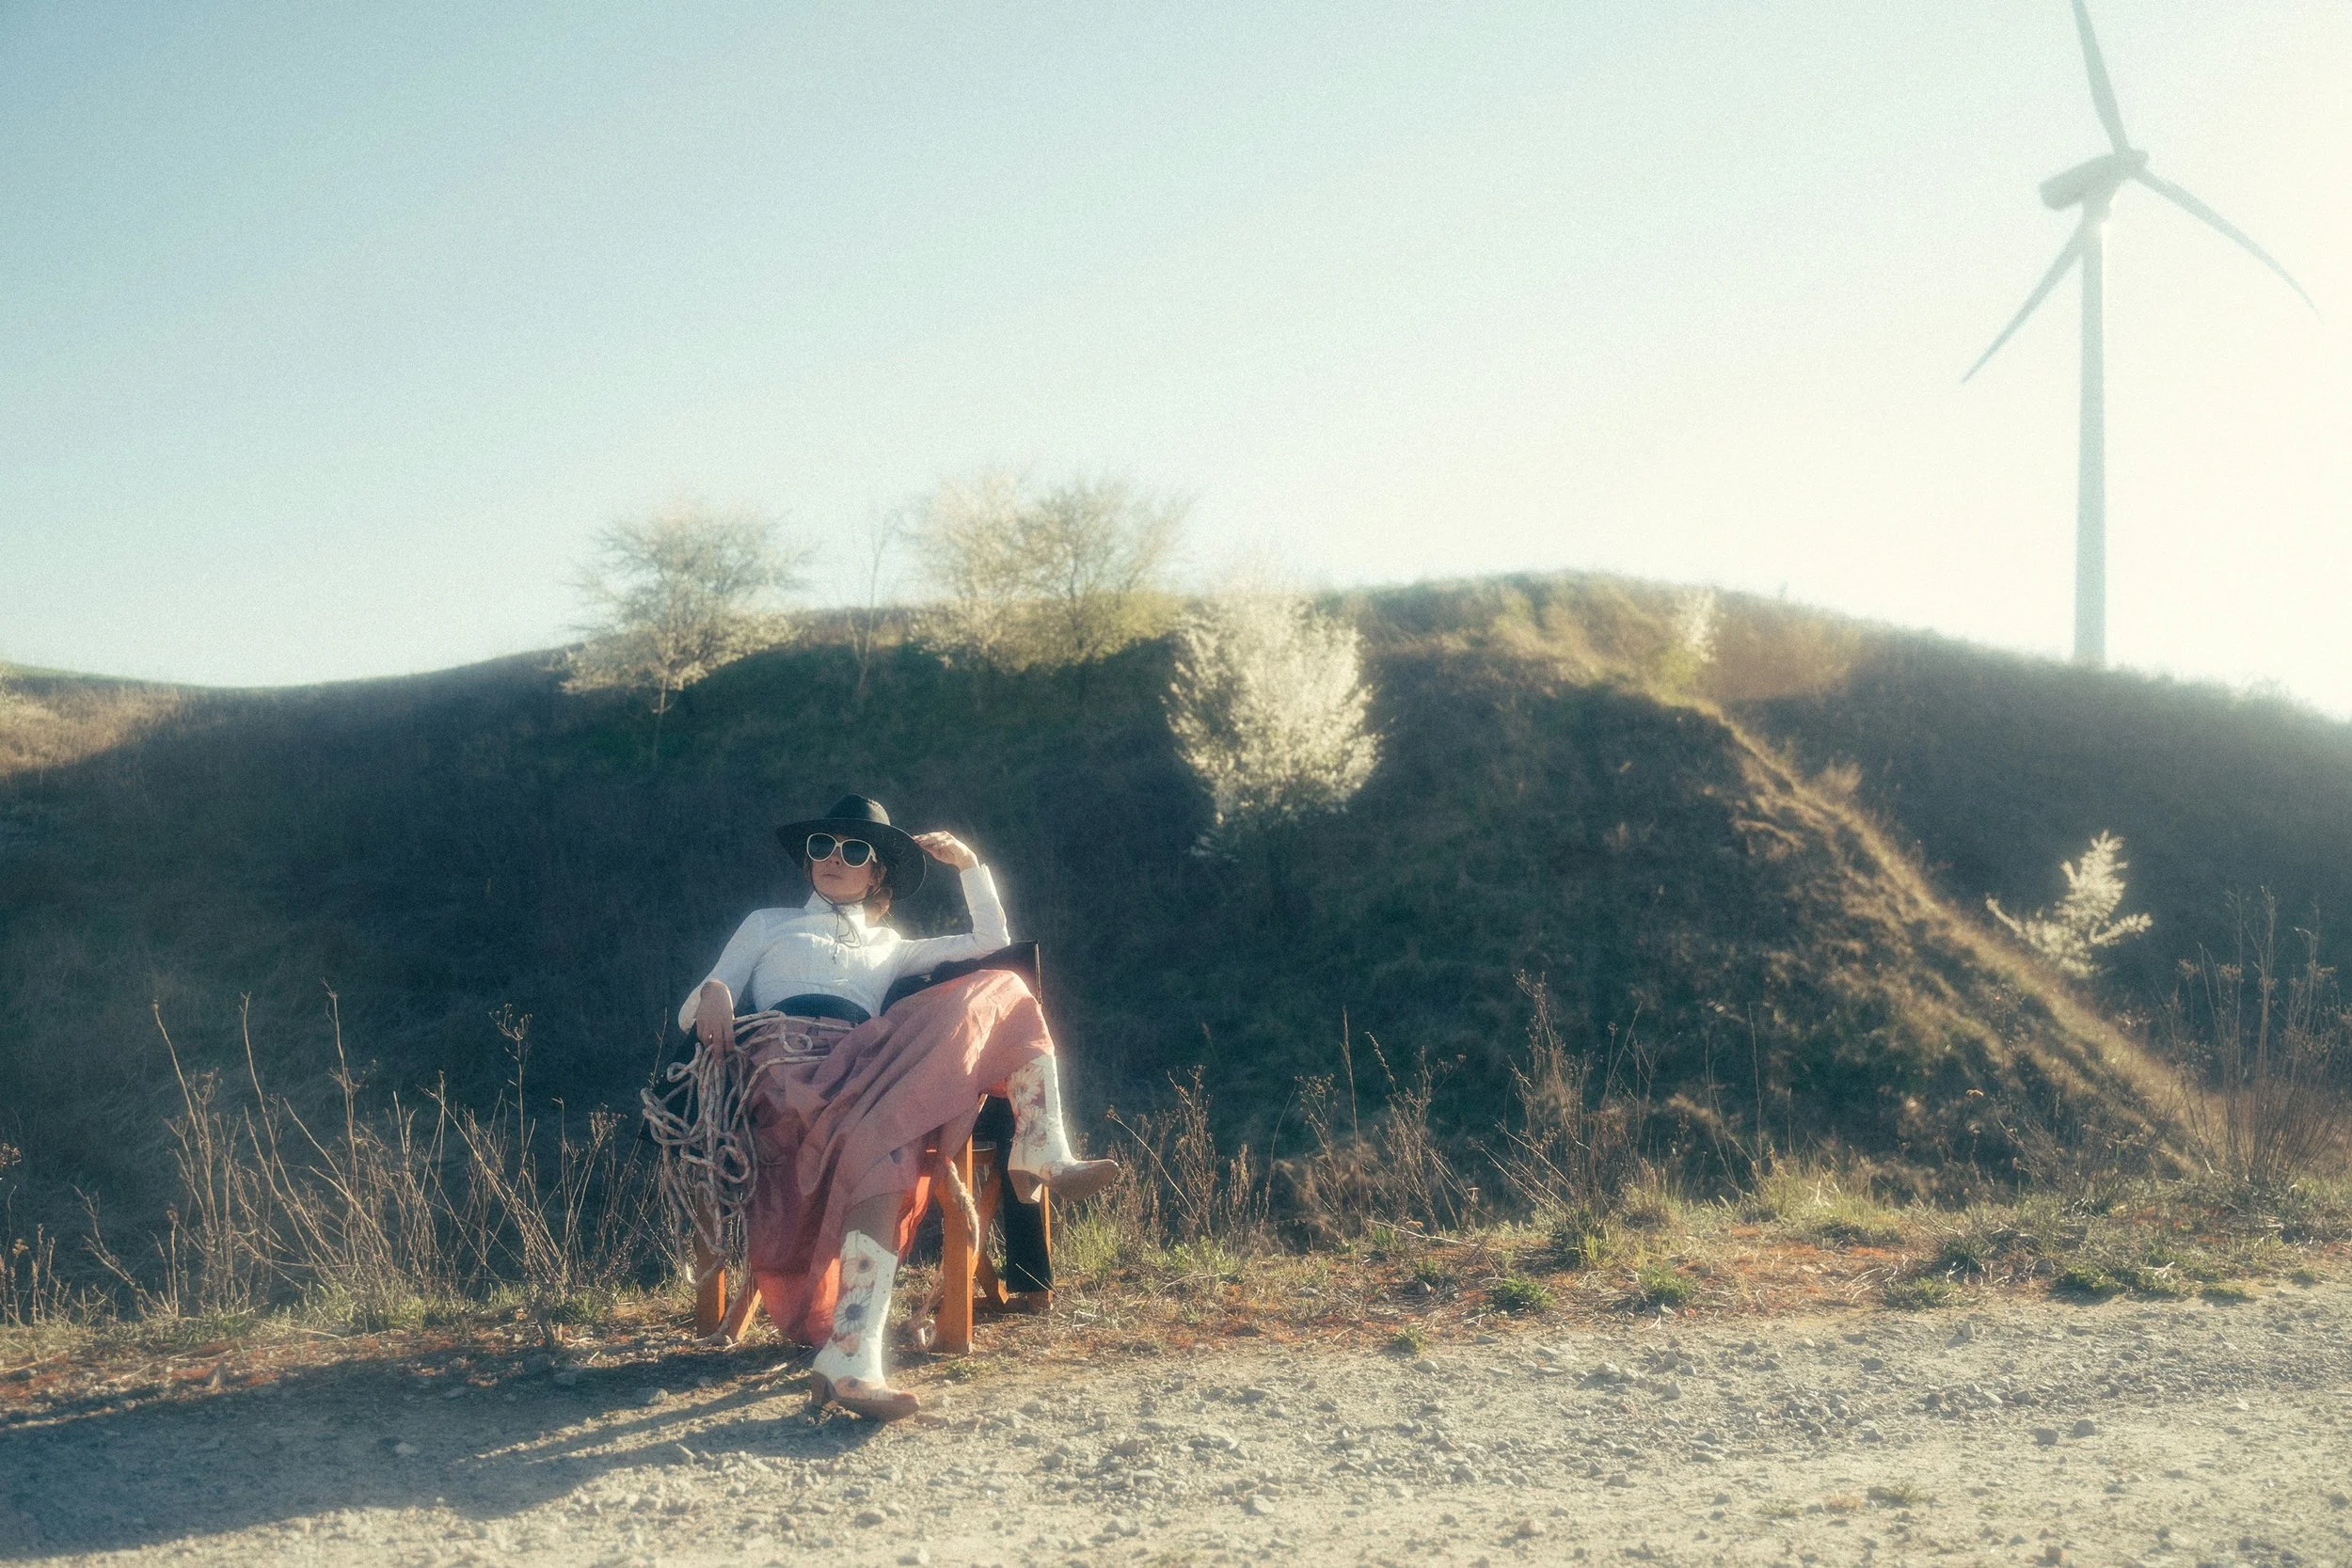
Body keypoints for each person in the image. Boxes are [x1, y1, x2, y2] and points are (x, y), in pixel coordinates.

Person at [677, 794, 1115, 1420]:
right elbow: (692, 1011)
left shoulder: (892, 945)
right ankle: (850, 1354)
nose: (834, 857)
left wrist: (970, 866)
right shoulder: (768, 923)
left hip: (867, 1065)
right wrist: (717, 991)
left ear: (876, 871)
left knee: (1006, 988)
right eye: (822, 845)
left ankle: (1040, 1143)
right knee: (880, 1145)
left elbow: (993, 943)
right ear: (807, 859)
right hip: (785, 1073)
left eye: (854, 850)